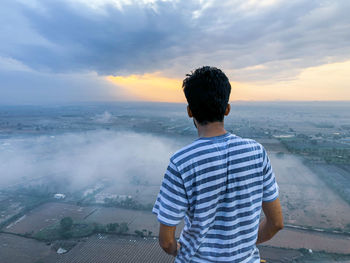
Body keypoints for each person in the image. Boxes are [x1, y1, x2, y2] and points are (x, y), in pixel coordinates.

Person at [152, 66, 283, 263]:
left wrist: (176, 250)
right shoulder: (257, 152)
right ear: (227, 109)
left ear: (189, 111)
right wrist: (243, 246)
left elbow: (166, 241)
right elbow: (276, 223)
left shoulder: (182, 162)